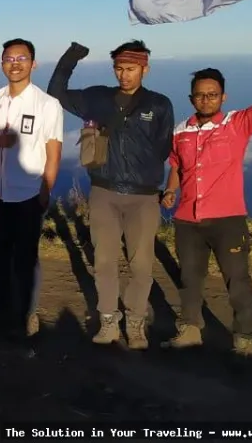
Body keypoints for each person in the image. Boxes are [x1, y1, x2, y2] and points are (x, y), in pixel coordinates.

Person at [160, 44, 252, 358]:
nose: (205, 99)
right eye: (200, 95)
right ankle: (191, 330)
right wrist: (170, 190)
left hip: (228, 219)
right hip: (187, 219)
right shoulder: (181, 131)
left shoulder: (236, 124)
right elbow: (177, 167)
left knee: (237, 280)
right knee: (189, 279)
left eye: (212, 94)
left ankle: (244, 338)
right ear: (191, 98)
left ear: (223, 97)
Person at [48, 39, 174, 349]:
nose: (124, 75)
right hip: (104, 191)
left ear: (145, 68)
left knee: (141, 263)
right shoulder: (97, 98)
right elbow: (56, 95)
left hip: (144, 195)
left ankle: (135, 322)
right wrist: (71, 57)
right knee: (104, 260)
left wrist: (147, 176)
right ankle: (108, 321)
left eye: (131, 69)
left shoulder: (159, 104)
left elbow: (164, 147)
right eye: (119, 68)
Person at [0, 39, 63, 339]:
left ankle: (26, 314)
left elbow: (53, 152)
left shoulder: (47, 105)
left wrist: (45, 191)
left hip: (27, 194)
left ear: (33, 64)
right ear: (2, 64)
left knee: (25, 258)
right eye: (9, 59)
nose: (15, 63)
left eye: (21, 58)